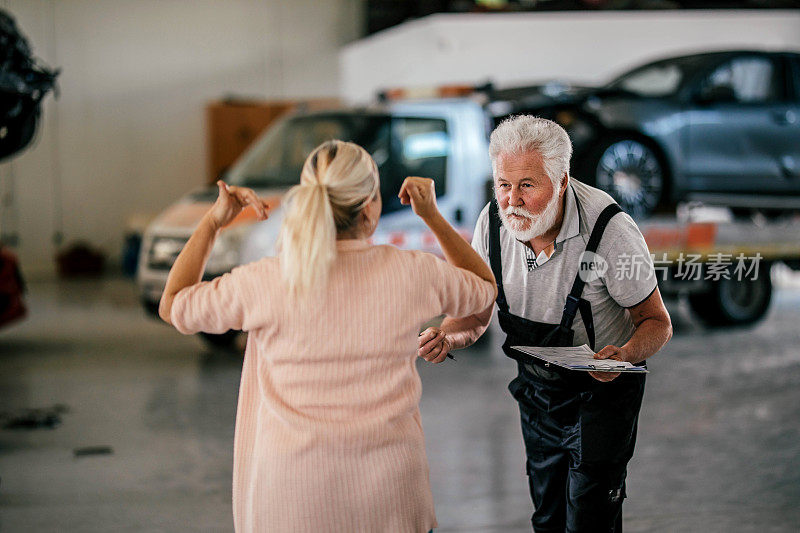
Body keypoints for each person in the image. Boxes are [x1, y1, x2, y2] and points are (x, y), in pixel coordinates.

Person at [158, 140, 497, 532]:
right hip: (391, 497)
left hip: (292, 498)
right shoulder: (412, 272)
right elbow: (483, 286)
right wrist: (431, 216)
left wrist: (215, 221)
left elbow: (174, 305)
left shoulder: (266, 280)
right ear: (370, 206)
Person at [418, 116, 673, 532]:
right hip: (538, 393)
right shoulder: (492, 224)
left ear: (562, 181)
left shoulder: (609, 231)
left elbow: (656, 322)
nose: (512, 201)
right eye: (503, 184)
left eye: (527, 185)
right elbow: (476, 315)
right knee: (548, 517)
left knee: (590, 518)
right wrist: (449, 336)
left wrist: (623, 356)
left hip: (602, 397)